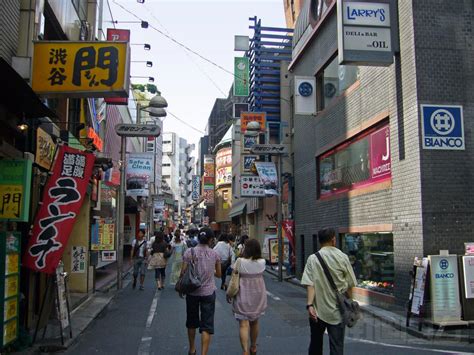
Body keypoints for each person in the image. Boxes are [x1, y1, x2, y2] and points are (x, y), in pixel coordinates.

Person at [301, 228, 357, 355]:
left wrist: (310, 305)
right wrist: (350, 303)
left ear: (320, 241)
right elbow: (350, 284)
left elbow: (310, 284)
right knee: (337, 347)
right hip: (338, 311)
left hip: (317, 310)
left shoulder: (312, 259)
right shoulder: (342, 257)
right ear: (333, 240)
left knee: (315, 344)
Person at [181, 227, 221, 355]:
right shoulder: (214, 254)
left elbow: (182, 272)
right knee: (206, 325)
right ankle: (204, 353)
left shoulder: (189, 252)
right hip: (208, 292)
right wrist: (211, 271)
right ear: (210, 240)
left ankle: (192, 349)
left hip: (192, 292)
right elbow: (219, 274)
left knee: (191, 322)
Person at [227, 239, 267, 355]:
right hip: (258, 296)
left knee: (243, 324)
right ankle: (253, 346)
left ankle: (245, 351)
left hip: (242, 294)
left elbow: (233, 275)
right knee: (255, 322)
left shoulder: (240, 261)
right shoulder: (262, 262)